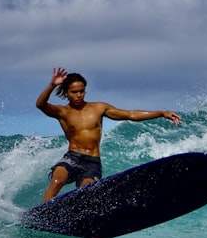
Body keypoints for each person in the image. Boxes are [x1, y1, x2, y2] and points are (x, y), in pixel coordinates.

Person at [35, 67, 181, 201]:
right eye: (74, 92)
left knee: (86, 191)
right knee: (57, 180)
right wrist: (52, 85)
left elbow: (130, 114)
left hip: (92, 162)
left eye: (82, 91)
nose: (79, 95)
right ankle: (42, 213)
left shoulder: (99, 108)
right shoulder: (62, 112)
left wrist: (161, 113)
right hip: (72, 157)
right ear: (66, 93)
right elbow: (40, 105)